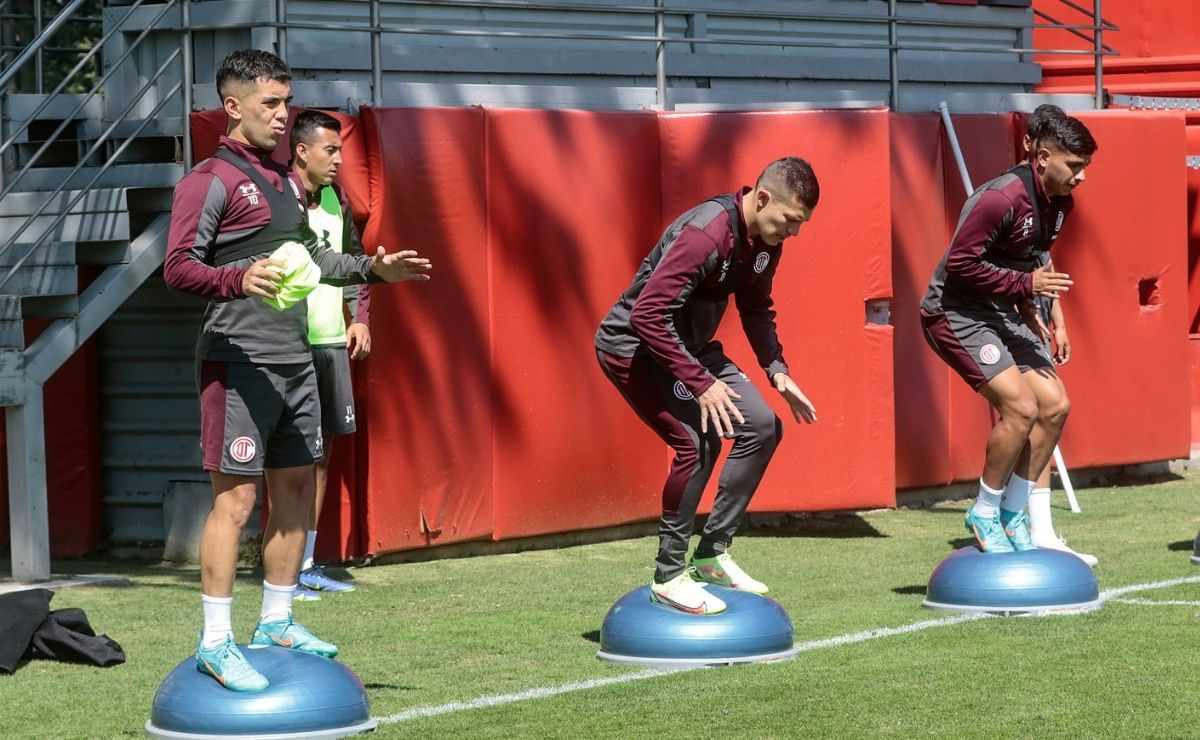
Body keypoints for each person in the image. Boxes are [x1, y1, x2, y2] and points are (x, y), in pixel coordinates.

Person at [164, 49, 431, 691]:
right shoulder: (210, 179)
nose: (284, 115)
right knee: (235, 502)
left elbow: (314, 257)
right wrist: (237, 277)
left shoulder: (286, 182)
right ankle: (215, 642)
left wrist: (374, 270)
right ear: (233, 107)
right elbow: (177, 266)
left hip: (297, 362)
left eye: (286, 102)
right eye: (271, 104)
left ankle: (277, 622)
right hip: (238, 361)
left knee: (292, 494)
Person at [595, 157, 819, 615]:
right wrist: (700, 384)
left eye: (801, 224)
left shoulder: (764, 243)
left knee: (761, 426)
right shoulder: (707, 234)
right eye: (791, 220)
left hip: (690, 348)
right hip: (634, 346)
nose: (794, 232)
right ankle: (668, 576)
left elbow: (757, 308)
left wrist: (777, 369)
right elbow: (647, 316)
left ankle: (711, 555)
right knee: (696, 443)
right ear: (762, 199)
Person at [920, 109, 1097, 557]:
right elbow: (961, 265)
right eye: (1073, 167)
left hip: (1002, 310)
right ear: (1041, 157)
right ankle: (984, 509)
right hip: (955, 312)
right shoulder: (999, 198)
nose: (1080, 178)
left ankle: (1014, 512)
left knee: (1055, 405)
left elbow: (1031, 258)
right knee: (1020, 407)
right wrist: (1025, 288)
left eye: (1085, 169)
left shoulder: (1061, 206)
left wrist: (1038, 310)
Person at [288, 109, 370, 598]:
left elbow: (355, 258)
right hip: (289, 345)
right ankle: (282, 568)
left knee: (322, 456)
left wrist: (359, 316)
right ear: (302, 151)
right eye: (330, 151)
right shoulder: (279, 199)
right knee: (290, 459)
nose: (339, 160)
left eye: (341, 150)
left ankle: (308, 563)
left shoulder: (338, 199)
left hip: (330, 342)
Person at [1019, 105, 1097, 567]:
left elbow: (1042, 262)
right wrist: (1025, 308)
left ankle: (1040, 527)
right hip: (995, 318)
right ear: (1035, 148)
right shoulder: (1011, 195)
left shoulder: (1058, 202)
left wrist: (1058, 317)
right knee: (1029, 413)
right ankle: (1007, 517)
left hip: (1031, 313)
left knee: (1047, 414)